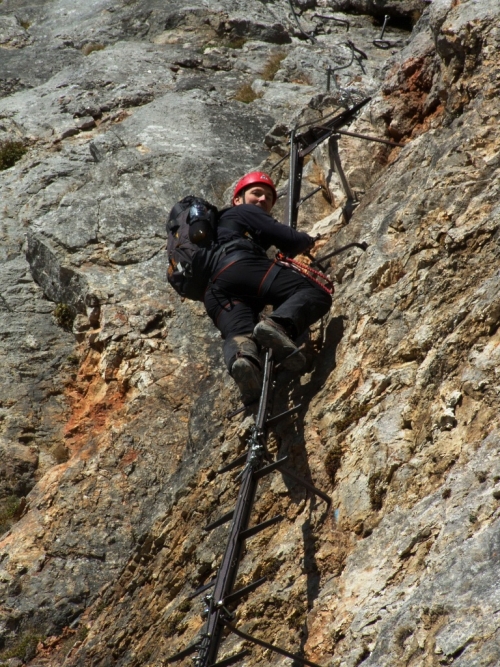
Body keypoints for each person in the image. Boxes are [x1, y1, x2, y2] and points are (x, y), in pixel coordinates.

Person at [203, 171, 332, 405]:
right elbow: (291, 240)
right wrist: (309, 239)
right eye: (256, 193)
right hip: (241, 266)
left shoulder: (215, 233)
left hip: (215, 292)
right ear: (237, 199)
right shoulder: (243, 211)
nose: (263, 200)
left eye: (269, 198)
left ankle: (244, 363)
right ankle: (277, 325)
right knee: (315, 293)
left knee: (239, 334)